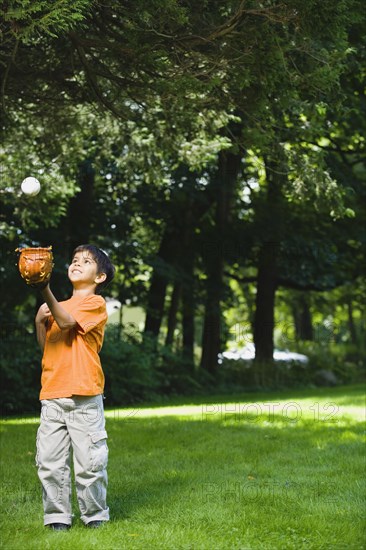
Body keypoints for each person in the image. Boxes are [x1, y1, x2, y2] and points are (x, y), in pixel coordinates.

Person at [34, 244, 115, 531]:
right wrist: (39, 322)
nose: (77, 263)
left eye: (87, 261)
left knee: (90, 464)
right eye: (74, 260)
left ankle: (95, 516)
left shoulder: (95, 304)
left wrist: (44, 288)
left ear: (100, 278)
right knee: (49, 462)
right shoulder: (56, 307)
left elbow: (67, 323)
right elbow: (49, 348)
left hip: (84, 396)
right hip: (53, 393)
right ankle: (57, 518)